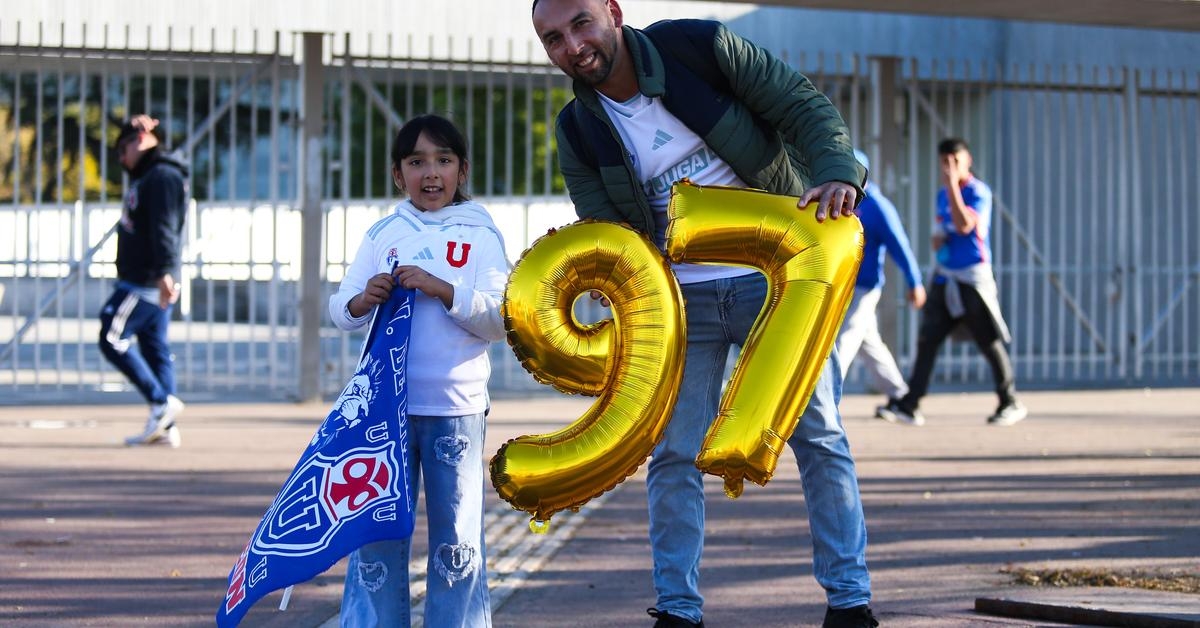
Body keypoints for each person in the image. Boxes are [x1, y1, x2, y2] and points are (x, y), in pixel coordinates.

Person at [531, 1, 877, 626]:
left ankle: (850, 601)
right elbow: (607, 229)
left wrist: (836, 173)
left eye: (581, 23)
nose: (572, 45)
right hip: (682, 303)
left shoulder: (703, 49)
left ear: (612, 11)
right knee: (672, 453)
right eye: (553, 38)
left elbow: (802, 106)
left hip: (774, 281)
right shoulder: (577, 129)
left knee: (819, 435)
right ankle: (677, 609)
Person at [328, 114, 506, 628]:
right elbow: (339, 309)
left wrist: (443, 289)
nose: (431, 174)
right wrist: (363, 300)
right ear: (397, 174)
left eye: (443, 161)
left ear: (462, 170)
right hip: (384, 412)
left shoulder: (481, 233)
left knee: (457, 538)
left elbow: (501, 316)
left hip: (456, 410)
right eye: (416, 162)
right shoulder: (384, 233)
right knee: (376, 535)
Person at [876, 138, 1027, 427]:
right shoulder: (941, 195)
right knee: (928, 339)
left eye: (955, 161)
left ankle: (1010, 401)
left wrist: (954, 186)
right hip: (945, 276)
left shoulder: (977, 192)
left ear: (967, 160)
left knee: (987, 340)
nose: (950, 167)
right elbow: (939, 235)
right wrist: (938, 237)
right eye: (945, 162)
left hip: (972, 277)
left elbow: (964, 225)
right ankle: (910, 404)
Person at [101, 115, 188, 448]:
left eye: (122, 150)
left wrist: (166, 270)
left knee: (110, 334)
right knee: (155, 350)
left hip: (147, 279)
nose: (121, 160)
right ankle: (165, 426)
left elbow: (165, 227)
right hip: (151, 277)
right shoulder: (153, 173)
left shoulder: (162, 175)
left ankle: (161, 402)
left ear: (139, 140)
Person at [835, 150, 926, 426]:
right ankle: (900, 397)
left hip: (865, 288)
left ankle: (827, 399)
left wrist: (915, 282)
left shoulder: (877, 206)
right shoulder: (841, 199)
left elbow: (901, 246)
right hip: (845, 285)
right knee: (869, 344)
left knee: (844, 342)